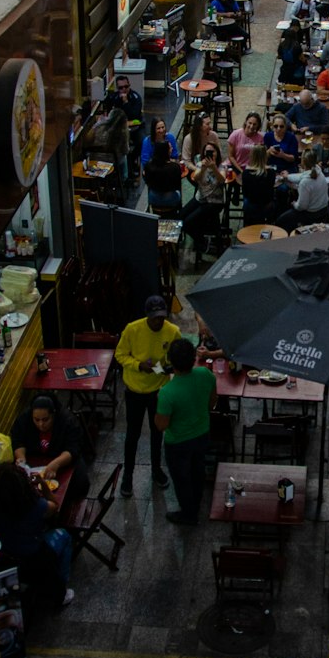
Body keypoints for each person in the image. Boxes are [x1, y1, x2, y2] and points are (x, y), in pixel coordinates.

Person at [0, 462, 74, 606]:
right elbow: (55, 506)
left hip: (4, 556)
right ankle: (61, 588)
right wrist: (43, 484)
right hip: (35, 558)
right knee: (64, 535)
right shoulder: (36, 506)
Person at [116, 295, 180, 497]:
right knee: (132, 435)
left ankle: (156, 470)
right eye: (154, 318)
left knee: (157, 432)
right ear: (147, 316)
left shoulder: (173, 331)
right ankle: (128, 476)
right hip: (134, 390)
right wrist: (138, 365)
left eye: (161, 317)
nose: (158, 321)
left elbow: (174, 358)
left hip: (157, 391)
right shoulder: (132, 329)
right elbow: (120, 355)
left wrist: (165, 367)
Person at [153, 338, 216, 525]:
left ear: (171, 362)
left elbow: (160, 426)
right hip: (202, 434)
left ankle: (188, 514)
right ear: (194, 357)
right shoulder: (206, 374)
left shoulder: (167, 392)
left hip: (178, 443)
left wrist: (159, 402)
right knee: (198, 471)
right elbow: (211, 404)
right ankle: (196, 503)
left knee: (182, 479)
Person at [10, 393, 89, 500]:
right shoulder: (24, 419)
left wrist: (56, 463)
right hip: (34, 459)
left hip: (62, 459)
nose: (41, 424)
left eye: (45, 420)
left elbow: (73, 448)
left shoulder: (68, 421)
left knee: (79, 483)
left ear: (54, 415)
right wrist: (21, 459)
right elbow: (18, 441)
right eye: (36, 420)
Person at [181, 145, 228, 257]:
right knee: (180, 217)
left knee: (188, 222)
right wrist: (203, 168)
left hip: (213, 202)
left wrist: (213, 168)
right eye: (208, 152)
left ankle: (201, 243)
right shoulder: (200, 164)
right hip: (200, 198)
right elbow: (196, 178)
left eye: (213, 151)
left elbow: (222, 180)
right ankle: (201, 239)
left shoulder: (221, 166)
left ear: (217, 153)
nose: (211, 154)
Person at [277, 149, 329, 231]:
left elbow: (301, 207)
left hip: (312, 214)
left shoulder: (305, 182)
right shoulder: (318, 171)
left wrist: (294, 204)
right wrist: (288, 176)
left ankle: (290, 238)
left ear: (303, 161)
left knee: (281, 221)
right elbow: (301, 176)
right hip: (323, 209)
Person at [104, 74, 144, 172]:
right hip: (117, 129)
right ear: (117, 88)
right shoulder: (113, 98)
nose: (124, 89)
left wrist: (126, 102)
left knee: (141, 142)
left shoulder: (135, 97)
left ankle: (132, 160)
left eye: (126, 87)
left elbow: (134, 115)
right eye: (121, 88)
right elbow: (108, 113)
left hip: (134, 128)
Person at [239, 143, 277, 225]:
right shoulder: (271, 172)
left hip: (251, 205)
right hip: (267, 205)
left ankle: (247, 227)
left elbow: (245, 192)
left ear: (252, 156)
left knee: (246, 200)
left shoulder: (246, 173)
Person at [144, 138, 183, 213]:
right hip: (170, 199)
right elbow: (177, 184)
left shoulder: (148, 166)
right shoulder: (175, 167)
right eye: (170, 147)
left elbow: (147, 181)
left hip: (153, 198)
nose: (172, 149)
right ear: (166, 151)